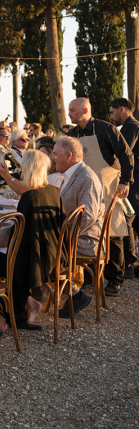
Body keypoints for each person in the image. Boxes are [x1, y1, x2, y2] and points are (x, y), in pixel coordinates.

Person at [0, 150, 65, 333]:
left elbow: (18, 238)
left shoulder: (30, 198)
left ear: (27, 169)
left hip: (34, 261)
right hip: (53, 254)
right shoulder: (52, 192)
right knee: (9, 258)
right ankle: (26, 304)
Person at [68, 97, 133, 296]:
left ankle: (115, 279)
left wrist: (125, 181)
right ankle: (90, 276)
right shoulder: (73, 134)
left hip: (108, 186)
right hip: (84, 189)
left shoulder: (106, 129)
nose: (69, 114)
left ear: (84, 110)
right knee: (87, 231)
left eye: (72, 110)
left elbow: (126, 154)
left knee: (112, 232)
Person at [52, 135, 105, 316]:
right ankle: (71, 293)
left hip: (86, 240)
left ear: (69, 155)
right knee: (39, 243)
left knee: (43, 247)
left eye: (55, 154)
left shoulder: (86, 178)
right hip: (73, 235)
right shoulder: (71, 175)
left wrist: (62, 236)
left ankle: (74, 295)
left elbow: (87, 216)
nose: (53, 158)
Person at [109, 97, 139, 276]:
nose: (111, 117)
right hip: (134, 180)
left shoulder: (130, 126)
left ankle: (129, 264)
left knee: (127, 217)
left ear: (122, 109)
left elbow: (123, 152)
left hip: (133, 181)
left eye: (112, 112)